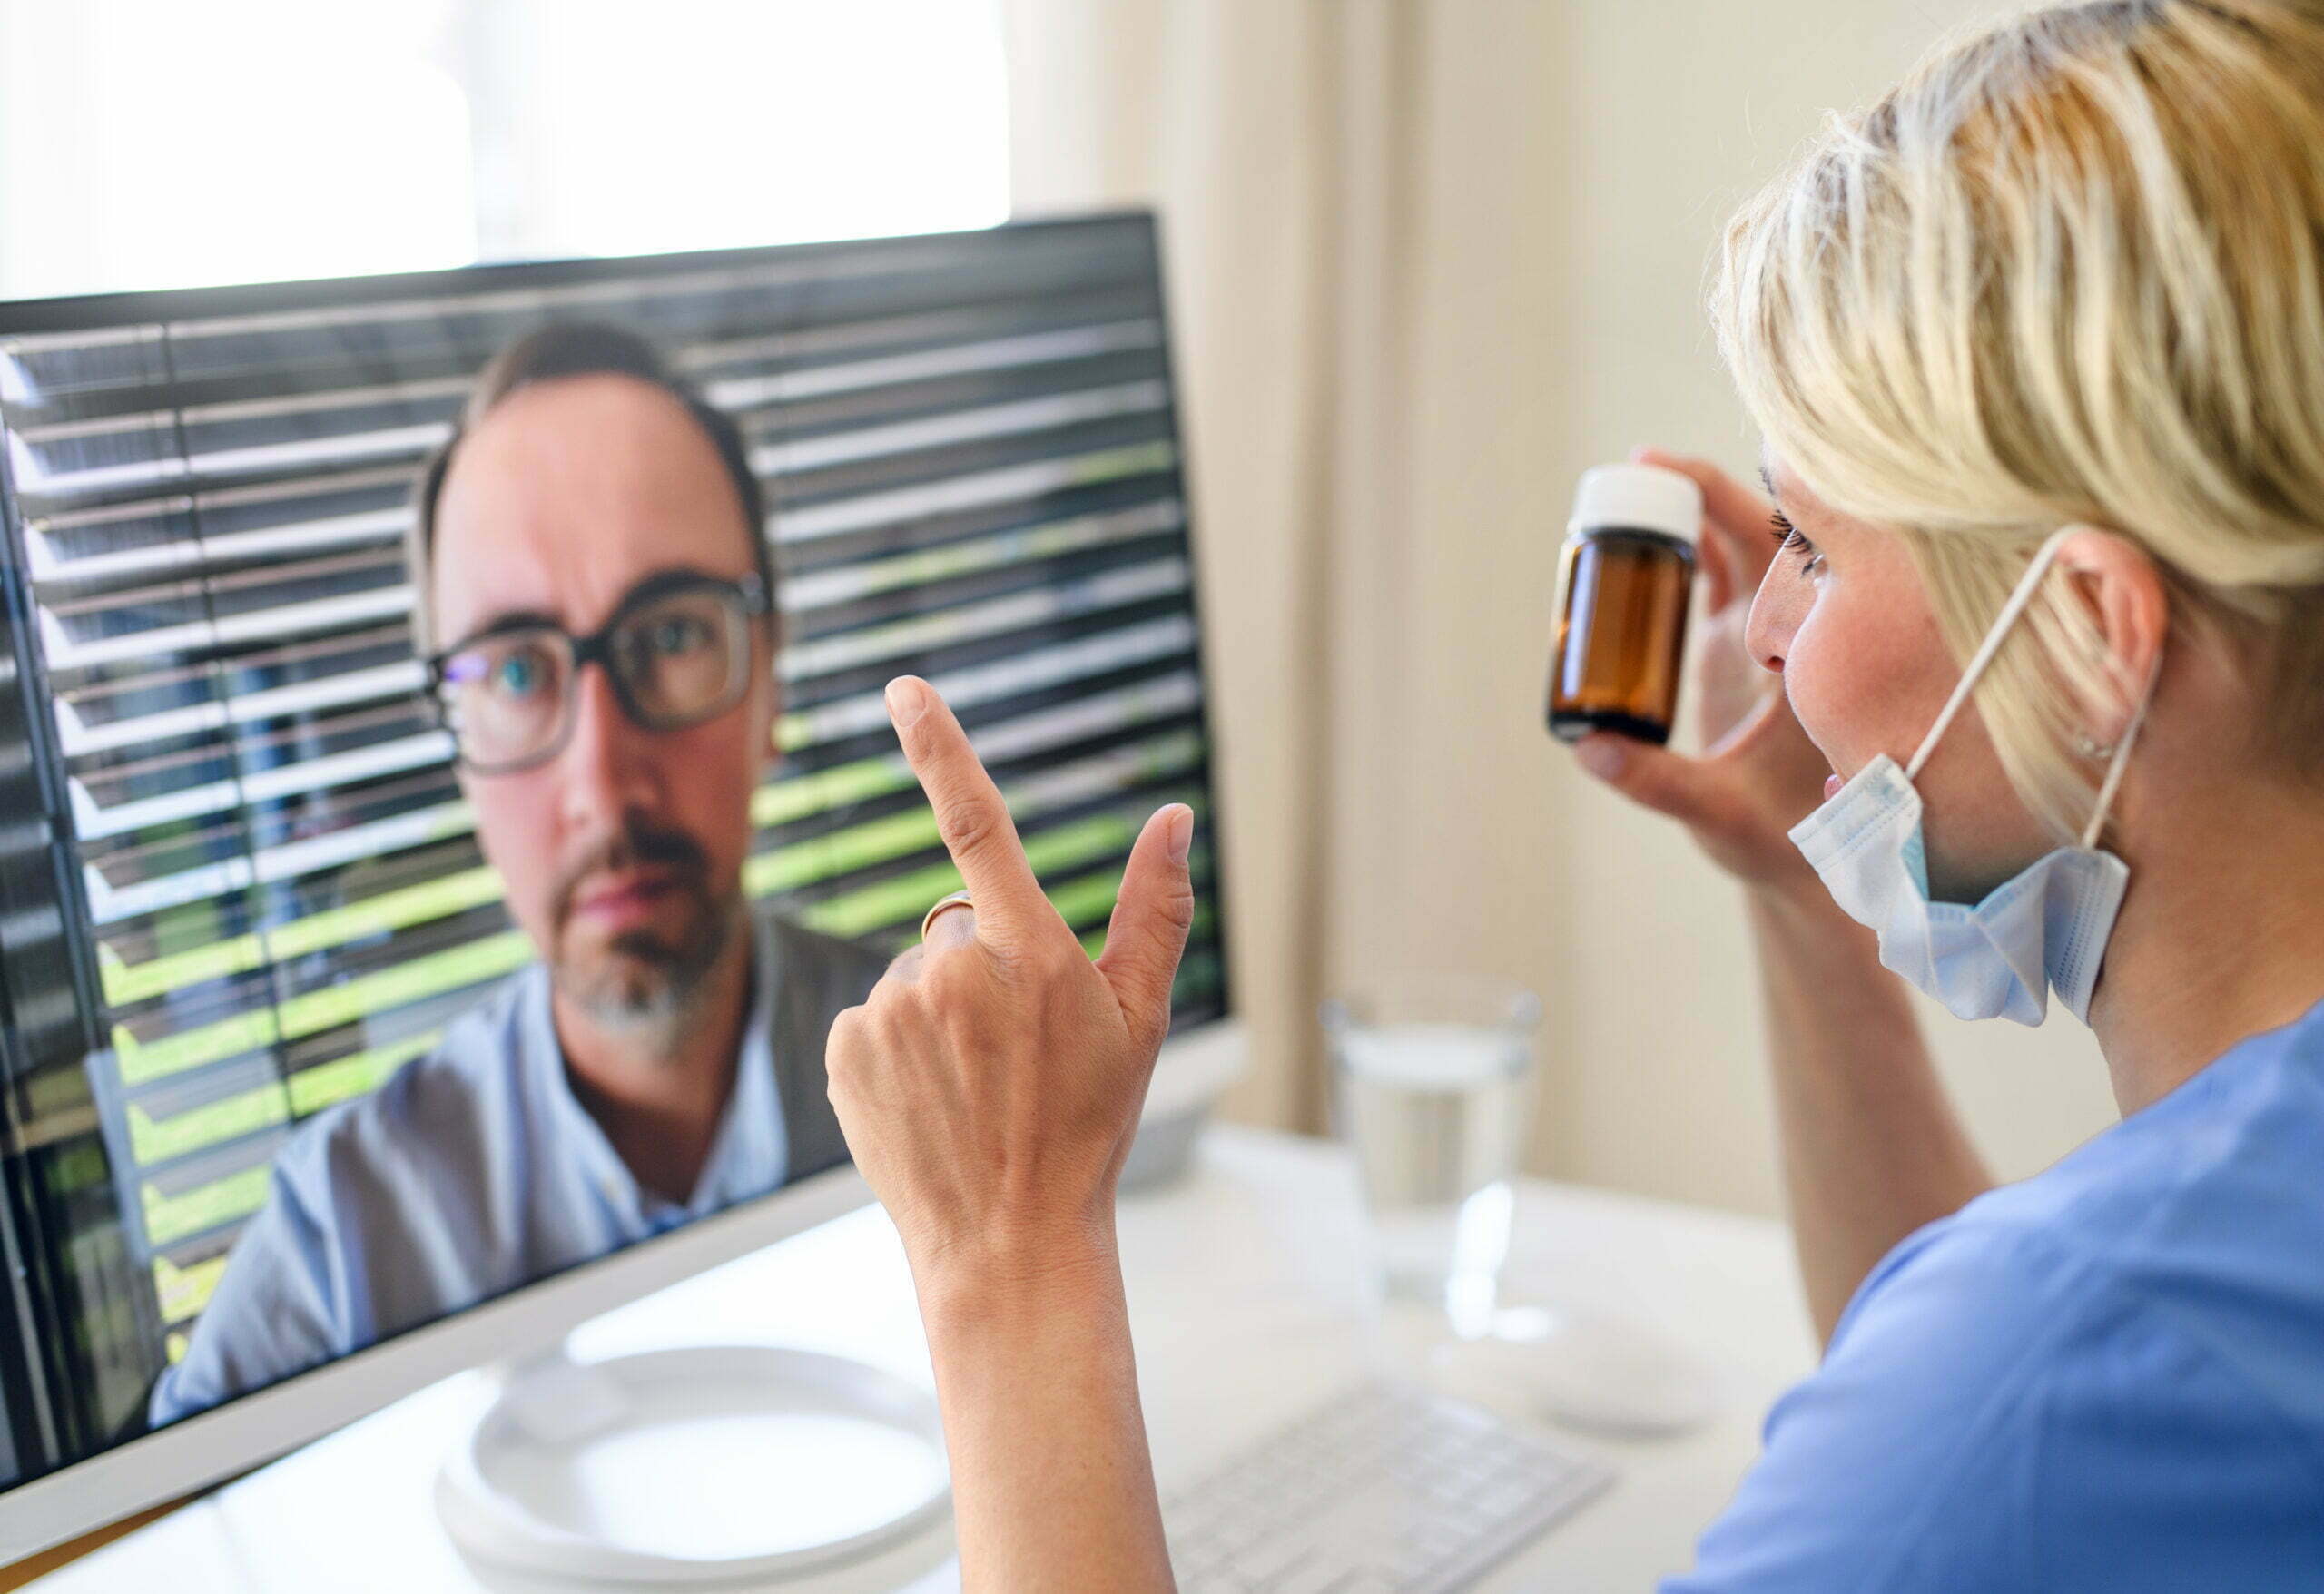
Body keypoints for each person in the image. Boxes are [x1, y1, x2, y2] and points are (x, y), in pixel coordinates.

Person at [826, 2, 2324, 1588]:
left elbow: (1997, 1422)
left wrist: (1011, 1253)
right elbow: (2013, 1456)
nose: (1773, 632)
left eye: (1809, 549)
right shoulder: (2164, 1313)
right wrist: (1799, 896)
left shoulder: (2049, 1361)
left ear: (2092, 640)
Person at [150, 324, 886, 1428]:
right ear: (455, 740)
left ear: (769, 678)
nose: (600, 779)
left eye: (673, 632)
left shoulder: (972, 1091)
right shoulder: (341, 1245)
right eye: (512, 668)